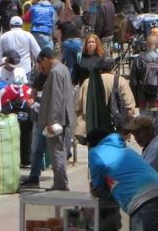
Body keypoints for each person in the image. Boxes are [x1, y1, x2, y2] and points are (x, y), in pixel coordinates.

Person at [36, 48, 75, 191]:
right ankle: (60, 182)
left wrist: (52, 120)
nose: (41, 68)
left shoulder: (56, 72)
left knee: (57, 152)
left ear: (46, 59)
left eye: (42, 64)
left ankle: (61, 184)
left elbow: (56, 98)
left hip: (58, 119)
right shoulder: (62, 69)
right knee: (59, 151)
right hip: (63, 118)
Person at [74, 56, 136, 143]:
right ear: (113, 67)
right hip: (115, 128)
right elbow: (129, 106)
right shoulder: (121, 81)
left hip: (93, 129)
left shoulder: (88, 82)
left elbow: (78, 107)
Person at [129, 35, 158, 138]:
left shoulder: (138, 59)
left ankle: (148, 152)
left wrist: (136, 101)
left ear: (146, 44)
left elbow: (133, 82)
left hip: (144, 101)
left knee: (146, 133)